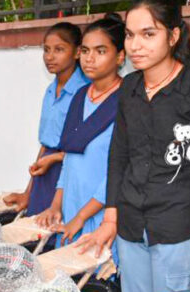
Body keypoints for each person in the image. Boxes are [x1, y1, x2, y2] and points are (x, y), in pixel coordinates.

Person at [77, 0, 190, 292]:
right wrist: (111, 218)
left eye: (148, 34)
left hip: (180, 227)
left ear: (173, 36)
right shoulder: (129, 88)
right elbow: (119, 154)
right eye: (130, 35)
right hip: (131, 228)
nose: (135, 45)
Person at [37, 14, 125, 246]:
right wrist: (55, 206)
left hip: (103, 215)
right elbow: (70, 160)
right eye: (85, 51)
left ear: (120, 56)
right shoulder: (79, 97)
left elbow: (119, 172)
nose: (89, 59)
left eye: (100, 51)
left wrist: (82, 217)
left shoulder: (127, 101)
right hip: (70, 212)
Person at [5, 22, 90, 216]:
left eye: (59, 49)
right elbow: (46, 144)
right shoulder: (50, 91)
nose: (50, 57)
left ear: (77, 52)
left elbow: (90, 149)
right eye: (46, 50)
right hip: (46, 172)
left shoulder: (86, 91)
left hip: (71, 174)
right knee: (37, 227)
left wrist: (55, 159)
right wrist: (28, 193)